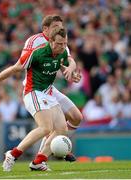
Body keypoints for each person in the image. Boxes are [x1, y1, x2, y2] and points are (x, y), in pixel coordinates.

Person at [0, 27, 71, 171]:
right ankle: (12, 154)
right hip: (33, 92)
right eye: (59, 43)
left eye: (65, 43)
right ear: (51, 41)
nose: (63, 46)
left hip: (48, 92)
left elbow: (68, 64)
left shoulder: (62, 52)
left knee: (61, 129)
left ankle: (39, 161)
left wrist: (72, 72)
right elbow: (14, 68)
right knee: (46, 127)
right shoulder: (37, 53)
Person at [21, 15, 83, 162]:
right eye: (56, 26)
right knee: (47, 127)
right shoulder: (34, 41)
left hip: (50, 87)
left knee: (77, 117)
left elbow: (63, 62)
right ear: (46, 29)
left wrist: (70, 73)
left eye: (61, 26)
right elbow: (24, 64)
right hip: (36, 88)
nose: (59, 29)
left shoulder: (61, 41)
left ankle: (59, 142)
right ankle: (46, 152)